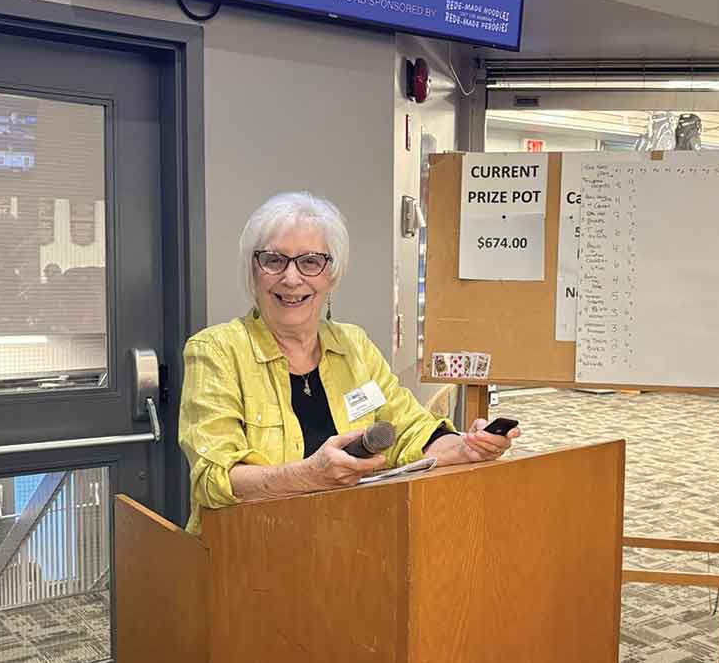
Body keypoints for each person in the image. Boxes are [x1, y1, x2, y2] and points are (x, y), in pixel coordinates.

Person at [179, 192, 519, 534]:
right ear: (253, 272)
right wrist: (309, 475)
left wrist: (466, 447)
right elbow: (213, 480)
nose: (292, 279)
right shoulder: (216, 350)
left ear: (332, 276)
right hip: (244, 559)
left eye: (311, 262)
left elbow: (407, 429)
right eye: (273, 260)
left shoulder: (354, 345)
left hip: (347, 553)